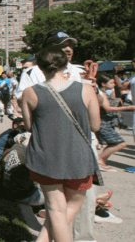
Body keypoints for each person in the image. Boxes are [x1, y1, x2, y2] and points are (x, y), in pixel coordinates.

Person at [15, 30, 97, 242]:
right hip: (79, 155)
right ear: (65, 63)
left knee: (56, 210)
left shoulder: (30, 92)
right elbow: (95, 126)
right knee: (70, 208)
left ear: (40, 67)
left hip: (46, 155)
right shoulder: (87, 89)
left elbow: (30, 125)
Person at [93, 73, 135, 170]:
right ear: (103, 83)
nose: (114, 85)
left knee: (112, 144)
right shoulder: (101, 93)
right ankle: (99, 160)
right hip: (103, 124)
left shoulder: (104, 92)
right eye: (112, 83)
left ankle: (101, 163)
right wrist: (129, 107)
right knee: (120, 144)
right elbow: (108, 108)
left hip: (107, 123)